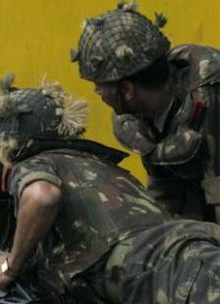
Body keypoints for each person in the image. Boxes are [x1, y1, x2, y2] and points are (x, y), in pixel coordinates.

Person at [0, 74, 220, 303]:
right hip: (192, 242)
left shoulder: (33, 164)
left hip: (167, 267)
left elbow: (42, 197)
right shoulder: (98, 164)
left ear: (9, 147)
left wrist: (11, 265)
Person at [70, 1, 220, 222]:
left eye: (101, 85)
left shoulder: (206, 98)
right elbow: (165, 196)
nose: (97, 91)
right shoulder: (141, 114)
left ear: (128, 89)